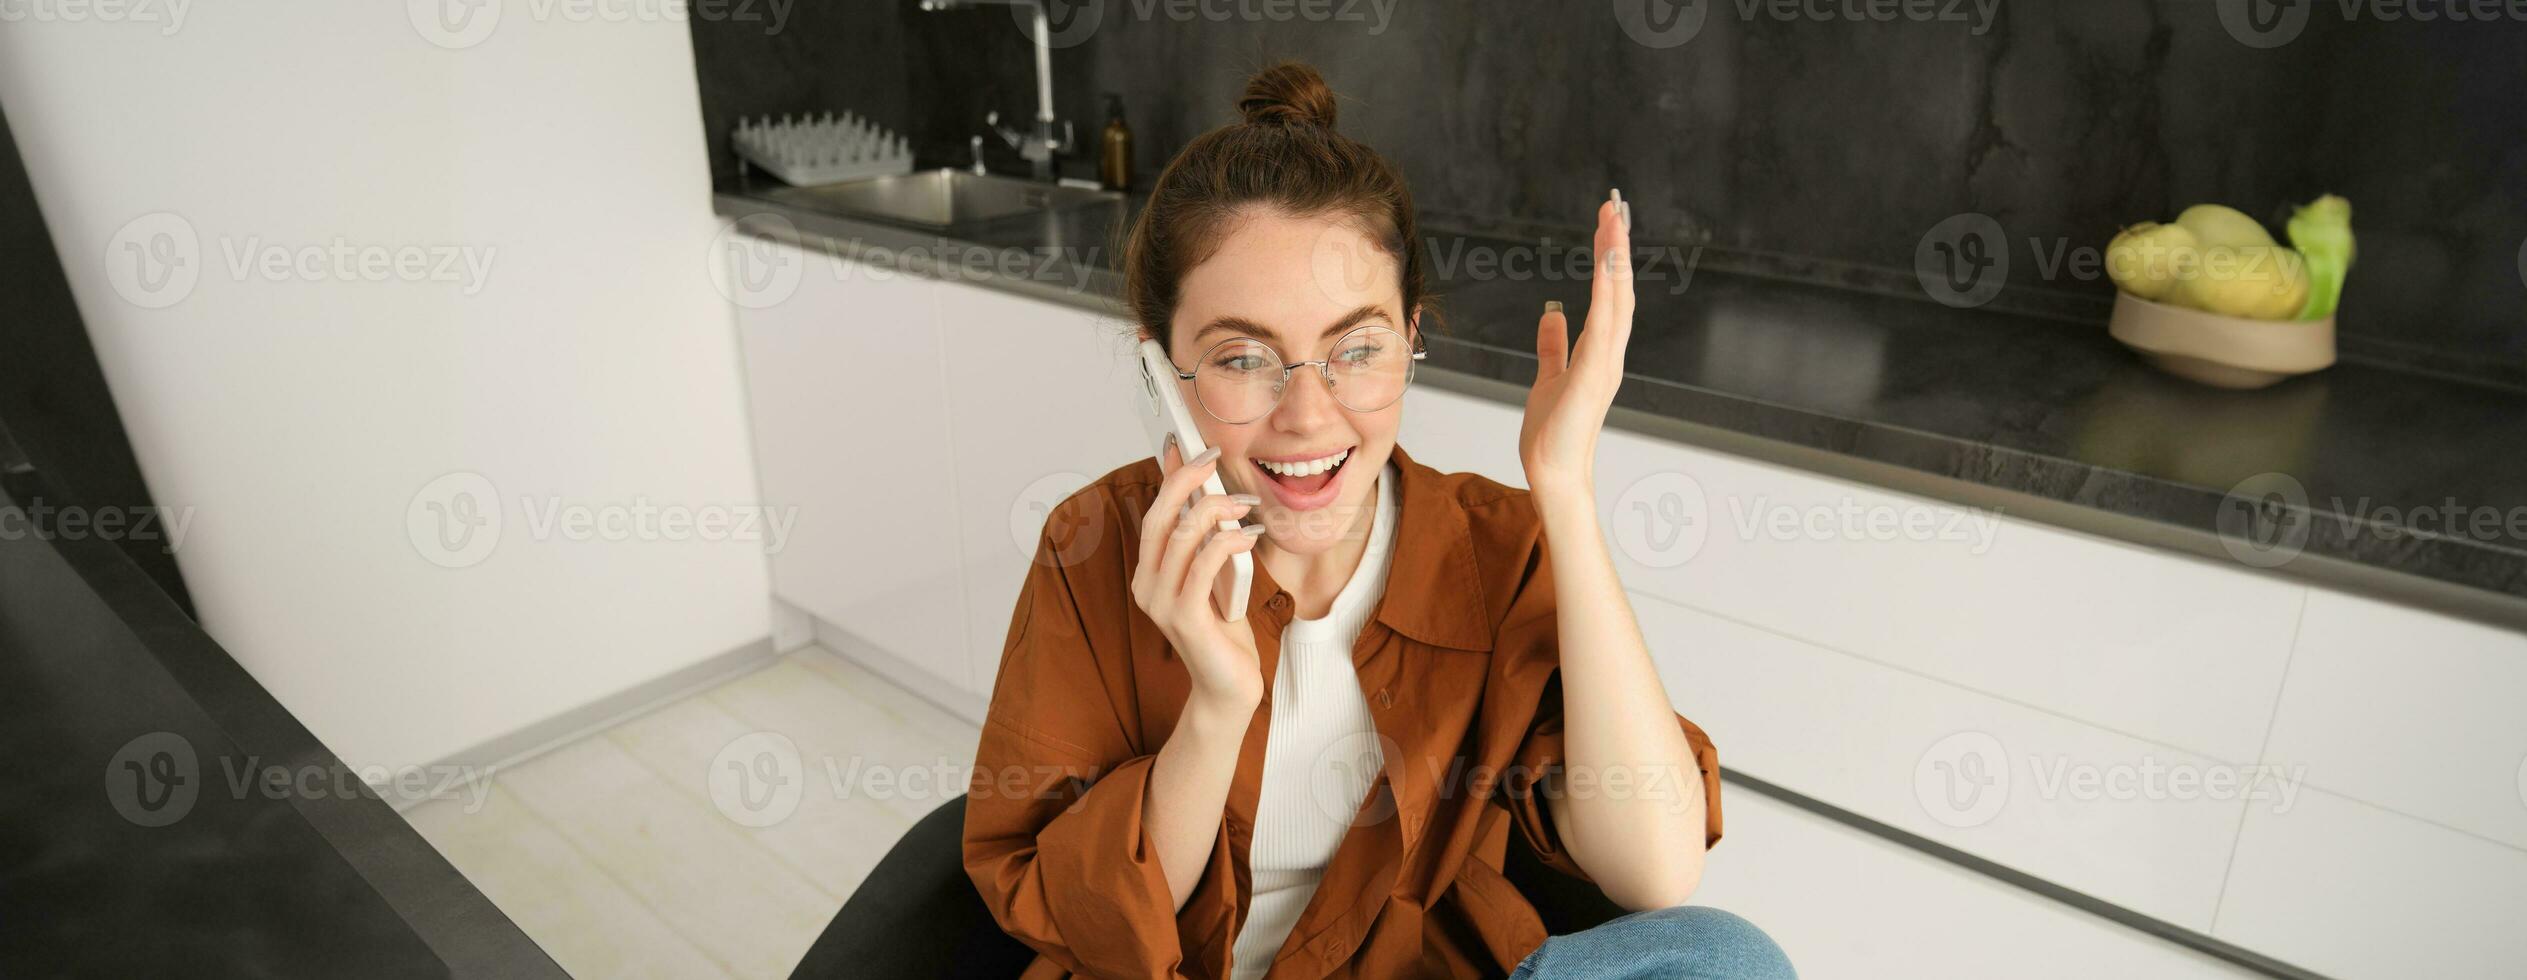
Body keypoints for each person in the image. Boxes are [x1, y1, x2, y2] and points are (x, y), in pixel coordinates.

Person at [961, 60, 1795, 980]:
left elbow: (1655, 868)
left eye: (1355, 349)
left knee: (1723, 956)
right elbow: (1082, 929)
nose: (1308, 416)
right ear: (1162, 370)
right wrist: (1216, 707)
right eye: (1243, 358)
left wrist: (1563, 493)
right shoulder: (1093, 547)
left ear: (1411, 341)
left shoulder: (1491, 544)